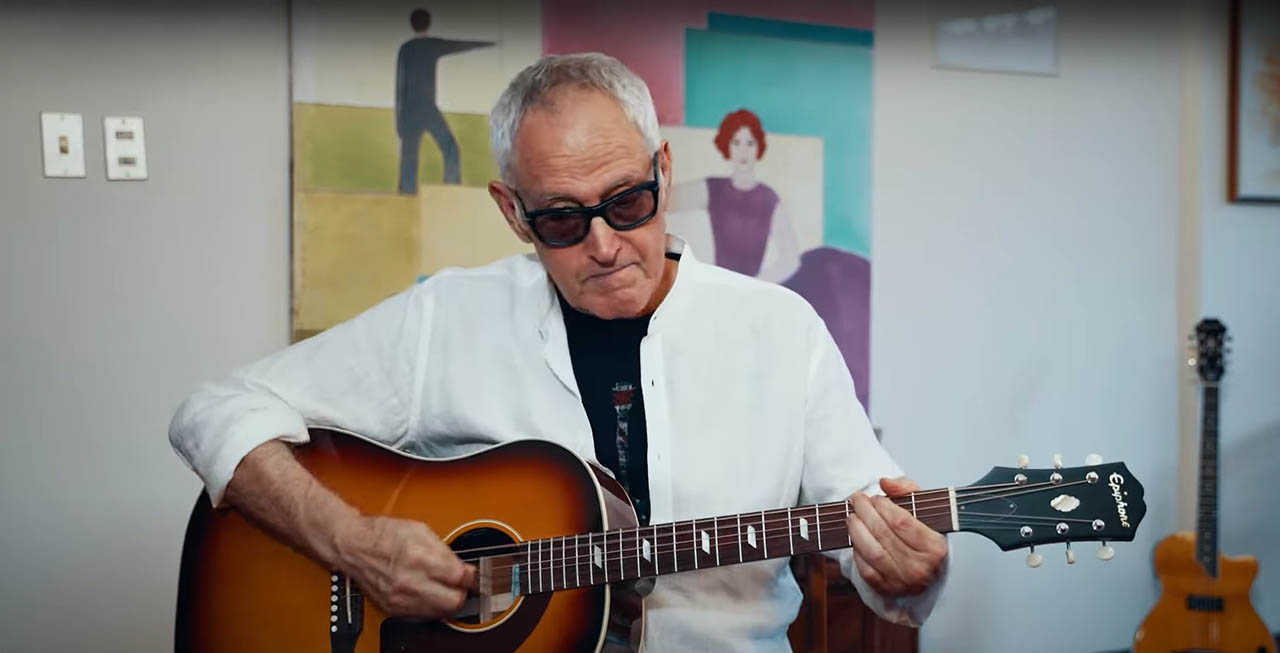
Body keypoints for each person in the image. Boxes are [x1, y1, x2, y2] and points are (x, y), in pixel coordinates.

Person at [170, 53, 947, 651]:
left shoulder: (784, 331)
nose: (606, 245)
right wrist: (350, 541)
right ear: (512, 213)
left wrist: (910, 569)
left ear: (664, 173)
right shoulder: (450, 316)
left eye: (627, 202)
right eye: (564, 220)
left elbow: (883, 564)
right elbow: (213, 411)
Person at [670, 109, 801, 284]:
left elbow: (791, 259)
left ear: (758, 148)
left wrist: (758, 283)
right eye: (736, 142)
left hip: (751, 294)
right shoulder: (714, 189)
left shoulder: (768, 199)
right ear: (727, 146)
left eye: (750, 143)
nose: (743, 151)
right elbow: (665, 200)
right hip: (717, 287)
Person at [395, 8, 493, 193]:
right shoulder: (431, 45)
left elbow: (400, 86)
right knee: (450, 147)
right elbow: (460, 44)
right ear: (428, 23)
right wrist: (490, 43)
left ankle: (406, 194)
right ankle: (451, 187)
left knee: (409, 156)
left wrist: (398, 119)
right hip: (426, 107)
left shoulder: (406, 48)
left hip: (409, 110)